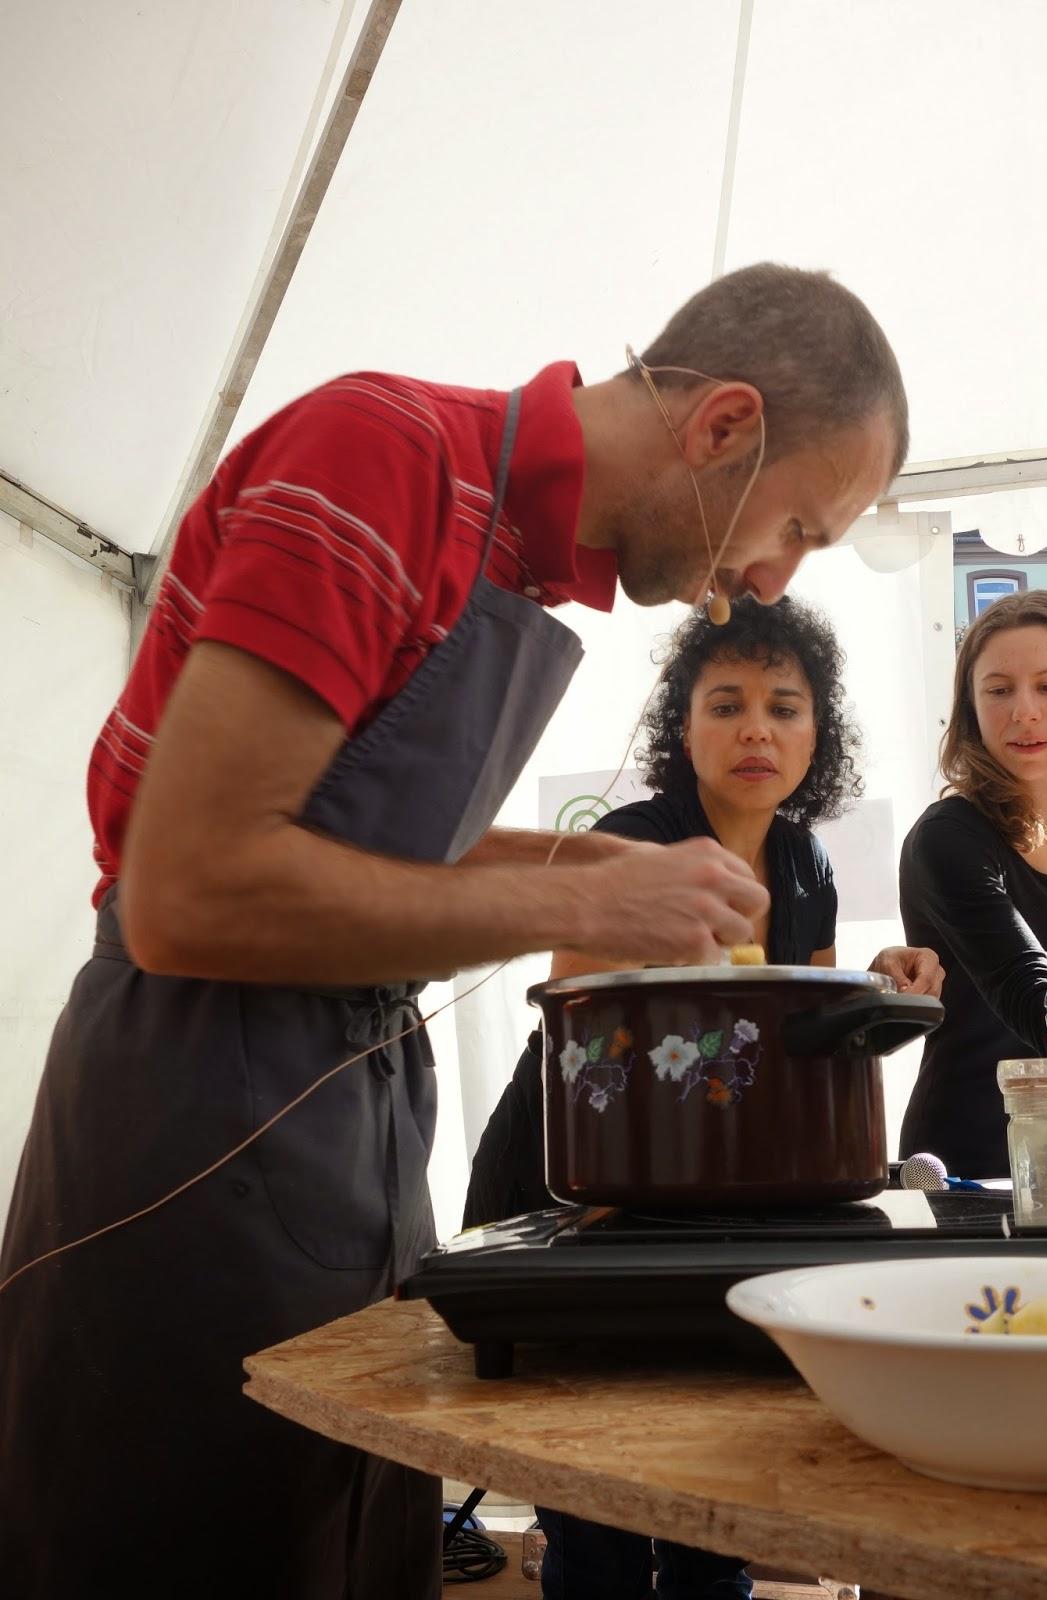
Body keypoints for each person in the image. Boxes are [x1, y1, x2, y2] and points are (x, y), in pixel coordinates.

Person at [0, 263, 908, 1600]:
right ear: (722, 427)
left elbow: (354, 845)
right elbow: (189, 887)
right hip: (193, 1105)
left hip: (353, 1116)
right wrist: (588, 899)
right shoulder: (380, 456)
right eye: (795, 530)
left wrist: (578, 857)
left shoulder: (510, 557)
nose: (753, 586)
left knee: (360, 1545)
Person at [465, 594, 943, 1600]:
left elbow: (790, 1020)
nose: (757, 727)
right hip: (579, 1179)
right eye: (725, 704)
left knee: (712, 1487)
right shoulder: (636, 842)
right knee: (592, 1490)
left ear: (821, 731)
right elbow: (583, 1017)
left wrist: (871, 984)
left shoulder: (808, 860)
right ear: (682, 729)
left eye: (784, 704)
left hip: (725, 1187)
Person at [898, 589, 1047, 1178]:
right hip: (973, 1162)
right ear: (972, 708)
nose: (1024, 712)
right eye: (999, 690)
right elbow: (1044, 1008)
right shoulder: (948, 837)